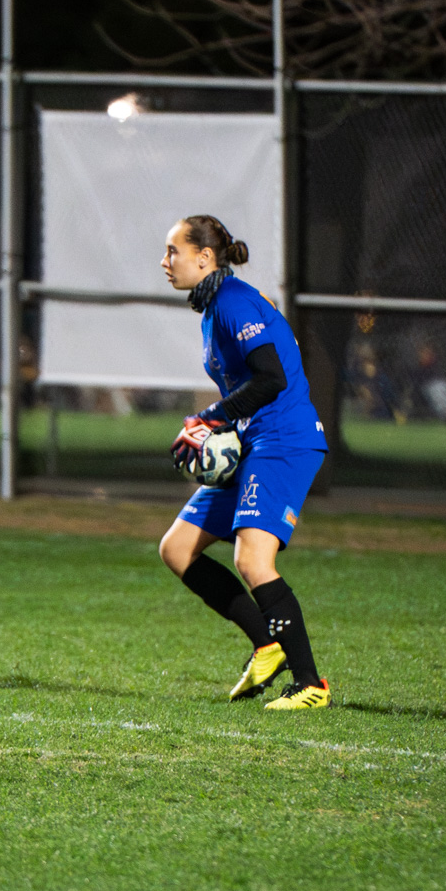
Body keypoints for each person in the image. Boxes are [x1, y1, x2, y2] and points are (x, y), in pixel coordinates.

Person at [158, 215, 330, 710]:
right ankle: (267, 645)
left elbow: (272, 377)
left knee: (253, 560)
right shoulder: (216, 306)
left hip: (284, 440)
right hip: (256, 440)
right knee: (178, 549)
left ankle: (310, 685)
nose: (165, 261)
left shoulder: (233, 302)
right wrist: (218, 429)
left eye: (173, 251)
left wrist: (209, 417)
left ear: (204, 258)